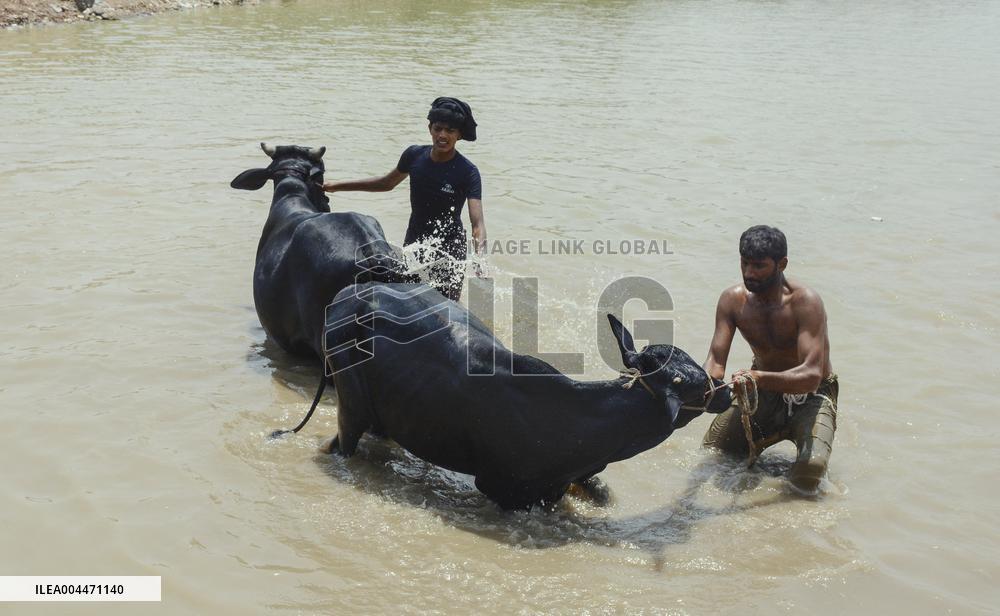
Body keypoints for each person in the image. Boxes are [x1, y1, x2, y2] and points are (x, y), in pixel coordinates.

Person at [700, 225, 838, 494]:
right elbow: (715, 363)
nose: (749, 273)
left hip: (811, 396)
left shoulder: (805, 302)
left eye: (759, 266)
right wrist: (698, 390)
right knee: (714, 453)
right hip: (760, 391)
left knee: (809, 474)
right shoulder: (732, 301)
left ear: (782, 264)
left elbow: (811, 377)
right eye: (745, 263)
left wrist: (759, 378)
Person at [321, 97, 486, 301]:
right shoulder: (414, 155)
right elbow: (385, 183)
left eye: (450, 131)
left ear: (459, 135)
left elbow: (477, 223)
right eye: (438, 128)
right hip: (415, 242)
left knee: (446, 310)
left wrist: (479, 259)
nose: (442, 135)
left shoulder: (467, 172)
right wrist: (336, 186)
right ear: (430, 128)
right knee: (409, 301)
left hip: (449, 251)